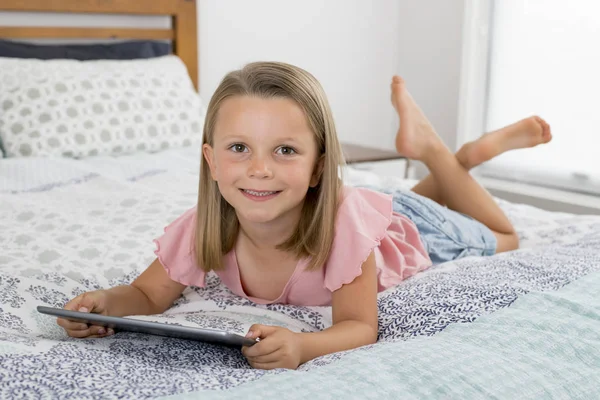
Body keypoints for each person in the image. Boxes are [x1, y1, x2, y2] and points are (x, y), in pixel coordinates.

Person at [57, 62, 552, 370]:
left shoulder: (342, 232)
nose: (259, 169)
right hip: (373, 210)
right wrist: (101, 304)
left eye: (285, 150)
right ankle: (449, 160)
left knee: (505, 236)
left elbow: (359, 326)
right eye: (238, 147)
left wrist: (303, 345)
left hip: (415, 227)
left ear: (319, 167)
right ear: (210, 161)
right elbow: (145, 294)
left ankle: (446, 153)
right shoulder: (203, 226)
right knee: (415, 201)